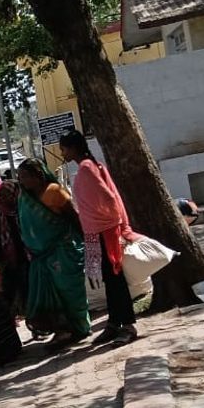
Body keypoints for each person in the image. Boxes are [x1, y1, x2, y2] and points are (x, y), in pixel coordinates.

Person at [59, 130, 138, 345]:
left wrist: (108, 221)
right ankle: (114, 323)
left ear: (73, 148)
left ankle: (128, 325)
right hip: (99, 231)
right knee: (109, 279)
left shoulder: (86, 168)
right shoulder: (91, 165)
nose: (62, 153)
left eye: (64, 148)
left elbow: (108, 197)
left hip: (105, 231)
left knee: (115, 279)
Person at [16, 158, 91, 349]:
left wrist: (89, 244)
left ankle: (80, 327)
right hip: (42, 257)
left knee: (70, 292)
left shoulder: (54, 192)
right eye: (19, 177)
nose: (21, 181)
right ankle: (63, 330)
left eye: (25, 176)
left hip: (63, 252)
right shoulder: (25, 198)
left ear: (38, 175)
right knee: (52, 295)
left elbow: (73, 219)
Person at [0, 180, 31, 315]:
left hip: (24, 253)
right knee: (8, 290)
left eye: (5, 195)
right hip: (5, 256)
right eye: (0, 196)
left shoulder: (22, 207)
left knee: (27, 288)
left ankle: (32, 319)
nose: (2, 199)